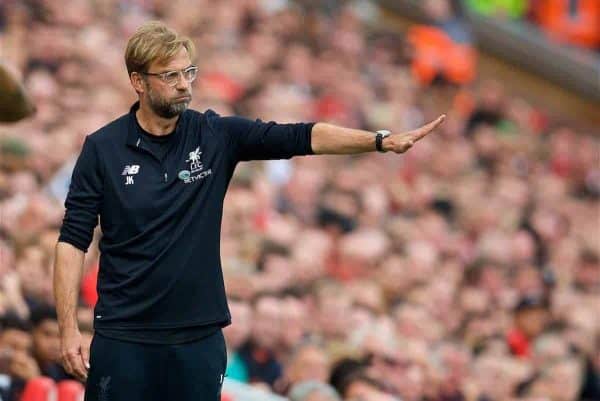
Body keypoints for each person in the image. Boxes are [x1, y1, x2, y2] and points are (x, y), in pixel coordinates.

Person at [52, 20, 445, 401]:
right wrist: (68, 328)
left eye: (189, 72)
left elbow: (302, 136)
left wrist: (380, 141)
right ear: (138, 81)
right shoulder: (102, 148)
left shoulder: (215, 134)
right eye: (170, 76)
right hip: (124, 336)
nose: (185, 84)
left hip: (197, 338)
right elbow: (73, 240)